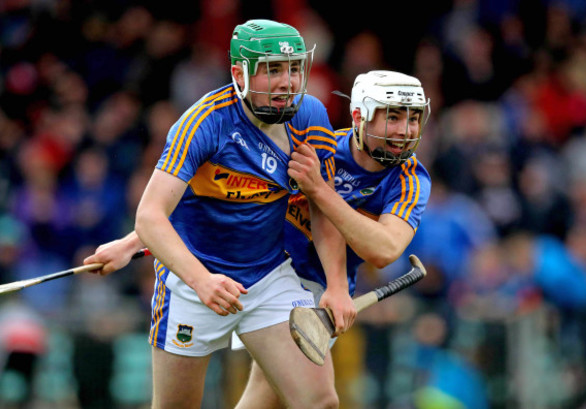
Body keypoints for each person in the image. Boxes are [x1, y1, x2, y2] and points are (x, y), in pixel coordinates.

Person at [87, 69, 432, 408]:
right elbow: (230, 194)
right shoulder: (318, 140)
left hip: (317, 288)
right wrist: (134, 242)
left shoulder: (410, 179)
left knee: (291, 399)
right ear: (359, 116)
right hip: (260, 268)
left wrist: (319, 191)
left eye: (413, 120)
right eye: (393, 117)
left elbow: (383, 250)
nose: (405, 131)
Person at [89, 19, 356, 409]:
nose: (288, 82)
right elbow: (150, 216)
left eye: (294, 68)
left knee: (320, 402)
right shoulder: (204, 123)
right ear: (238, 73)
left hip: (268, 279)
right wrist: (200, 281)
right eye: (272, 70)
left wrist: (335, 285)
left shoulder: (310, 115)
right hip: (193, 285)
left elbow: (321, 204)